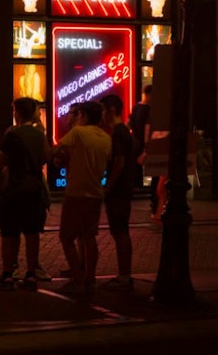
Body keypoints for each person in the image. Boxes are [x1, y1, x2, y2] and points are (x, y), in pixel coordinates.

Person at [0, 97, 49, 290]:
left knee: (9, 233)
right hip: (34, 189)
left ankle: (8, 273)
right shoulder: (40, 135)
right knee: (32, 233)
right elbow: (46, 157)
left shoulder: (12, 134)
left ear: (18, 112)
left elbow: (0, 162)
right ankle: (31, 273)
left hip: (14, 189)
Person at [51, 100, 111, 294]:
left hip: (76, 192)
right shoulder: (105, 137)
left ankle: (77, 276)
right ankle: (90, 276)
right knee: (89, 236)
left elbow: (57, 150)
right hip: (95, 193)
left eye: (78, 115)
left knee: (66, 237)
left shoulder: (77, 133)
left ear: (82, 115)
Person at [99, 94, 135, 291]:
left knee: (119, 232)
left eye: (104, 111)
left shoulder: (118, 133)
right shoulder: (124, 132)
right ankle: (124, 274)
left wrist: (107, 187)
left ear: (111, 111)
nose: (102, 115)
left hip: (118, 191)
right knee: (121, 232)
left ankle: (124, 275)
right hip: (124, 189)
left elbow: (119, 163)